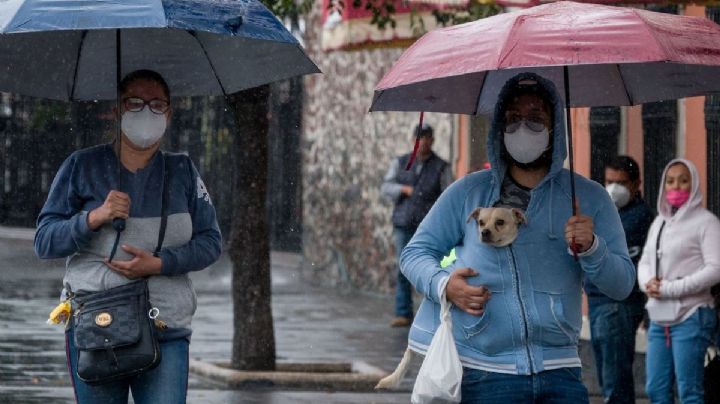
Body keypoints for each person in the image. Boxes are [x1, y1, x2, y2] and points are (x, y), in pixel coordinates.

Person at [400, 72, 635, 402]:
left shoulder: (589, 198)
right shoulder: (468, 192)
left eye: (536, 118)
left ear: (555, 128)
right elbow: (414, 254)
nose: (523, 128)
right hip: (484, 374)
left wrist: (594, 248)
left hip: (562, 374)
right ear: (499, 127)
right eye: (512, 119)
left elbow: (622, 284)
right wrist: (444, 285)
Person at [34, 69, 222, 404]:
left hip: (165, 326)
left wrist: (161, 263)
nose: (146, 112)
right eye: (135, 103)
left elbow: (210, 243)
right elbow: (45, 241)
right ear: (117, 109)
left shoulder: (182, 171)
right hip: (96, 325)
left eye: (156, 104)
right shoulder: (82, 166)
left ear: (169, 112)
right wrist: (94, 218)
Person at [638, 158, 720, 404]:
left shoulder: (707, 223)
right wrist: (648, 284)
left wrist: (671, 288)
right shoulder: (660, 223)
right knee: (656, 389)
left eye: (684, 181)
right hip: (659, 317)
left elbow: (715, 269)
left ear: (694, 185)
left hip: (691, 316)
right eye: (670, 181)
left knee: (689, 392)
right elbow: (644, 261)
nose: (676, 187)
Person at [585, 155, 653, 404]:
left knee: (615, 379)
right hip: (597, 300)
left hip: (618, 302)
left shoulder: (638, 217)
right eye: (609, 181)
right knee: (607, 374)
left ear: (636, 184)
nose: (613, 188)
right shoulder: (606, 213)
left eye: (621, 182)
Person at [381, 123, 453, 327]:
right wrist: (403, 189)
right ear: (414, 140)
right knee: (403, 267)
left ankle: (429, 314)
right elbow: (386, 187)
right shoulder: (401, 162)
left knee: (431, 268)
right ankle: (403, 311)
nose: (423, 143)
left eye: (427, 138)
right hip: (404, 221)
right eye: (420, 138)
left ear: (432, 140)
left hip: (428, 225)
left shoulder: (441, 166)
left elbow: (448, 195)